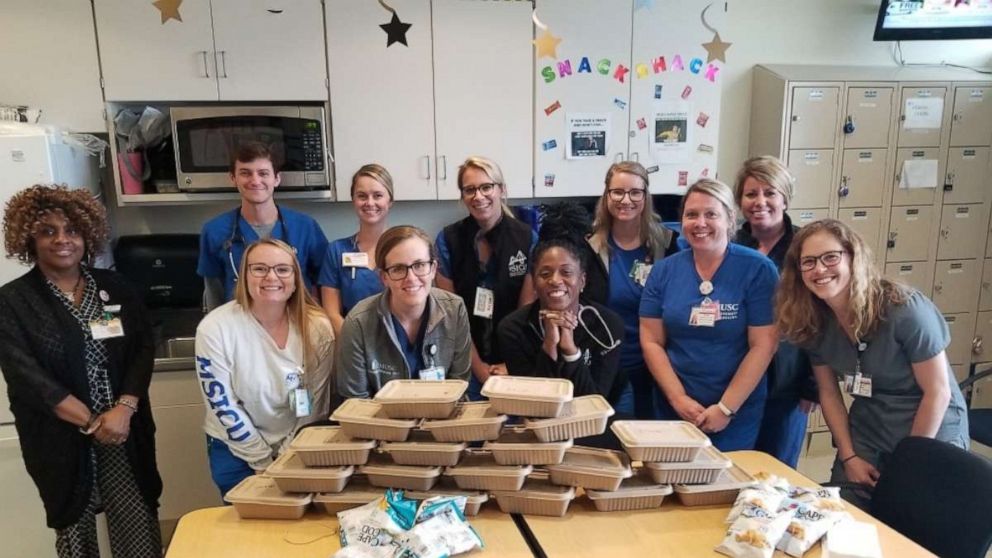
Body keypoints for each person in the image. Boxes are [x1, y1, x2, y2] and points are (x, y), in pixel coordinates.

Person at [0, 185, 162, 557]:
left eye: (72, 230)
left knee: (135, 517)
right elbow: (28, 378)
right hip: (61, 437)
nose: (62, 240)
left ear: (86, 235)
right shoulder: (13, 302)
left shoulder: (114, 287)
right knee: (75, 529)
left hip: (124, 429)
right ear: (29, 237)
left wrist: (124, 410)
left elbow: (142, 348)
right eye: (48, 231)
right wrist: (92, 421)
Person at [776, 219, 969, 508]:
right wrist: (849, 455)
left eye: (831, 257)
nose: (820, 269)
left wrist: (909, 462)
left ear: (854, 258)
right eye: (809, 262)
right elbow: (828, 393)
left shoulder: (904, 309)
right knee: (845, 517)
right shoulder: (814, 319)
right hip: (870, 428)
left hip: (930, 429)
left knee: (913, 525)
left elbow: (938, 392)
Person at [640, 178, 779, 451]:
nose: (700, 223)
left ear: (730, 219)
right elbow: (651, 340)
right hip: (676, 407)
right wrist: (678, 399)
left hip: (735, 410)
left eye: (711, 214)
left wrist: (726, 409)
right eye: (691, 214)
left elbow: (764, 345)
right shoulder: (663, 272)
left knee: (728, 482)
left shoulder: (758, 269)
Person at [195, 238, 334, 496]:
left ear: (295, 279)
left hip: (298, 445)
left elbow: (316, 402)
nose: (271, 277)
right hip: (236, 449)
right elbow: (222, 404)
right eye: (259, 269)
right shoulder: (216, 328)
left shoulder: (317, 328)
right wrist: (261, 461)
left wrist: (287, 455)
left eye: (282, 269)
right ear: (244, 276)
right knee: (244, 528)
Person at [732, 155, 817, 468]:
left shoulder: (806, 247)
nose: (760, 202)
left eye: (770, 193)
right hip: (737, 376)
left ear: (785, 198)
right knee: (736, 466)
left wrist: (813, 385)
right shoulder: (730, 242)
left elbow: (823, 319)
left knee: (776, 471)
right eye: (751, 194)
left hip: (787, 380)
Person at [498, 203, 626, 406]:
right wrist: (549, 345)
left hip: (593, 429)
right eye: (545, 274)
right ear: (534, 282)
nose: (555, 280)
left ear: (582, 281)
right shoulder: (513, 329)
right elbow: (535, 404)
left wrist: (570, 350)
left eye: (566, 272)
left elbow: (593, 403)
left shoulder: (608, 327)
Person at [435, 156, 537, 399]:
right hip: (465, 359)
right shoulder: (448, 240)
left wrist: (512, 364)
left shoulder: (526, 238)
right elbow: (451, 315)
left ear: (502, 190)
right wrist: (478, 368)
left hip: (513, 362)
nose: (478, 196)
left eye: (486, 187)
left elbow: (526, 310)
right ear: (462, 196)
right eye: (469, 190)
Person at [585, 161, 679, 418]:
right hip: (605, 366)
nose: (626, 200)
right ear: (606, 196)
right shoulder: (588, 247)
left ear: (646, 196)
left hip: (657, 368)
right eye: (618, 192)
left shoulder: (668, 245)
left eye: (635, 192)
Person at [338, 226, 472, 399]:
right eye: (398, 269)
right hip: (379, 423)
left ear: (433, 269)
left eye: (419, 265)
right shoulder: (359, 322)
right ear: (384, 278)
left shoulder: (455, 310)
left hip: (441, 420)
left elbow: (459, 389)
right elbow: (355, 402)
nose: (411, 277)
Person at [198, 142, 328, 310]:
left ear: (276, 179)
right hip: (239, 328)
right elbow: (213, 292)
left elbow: (325, 284)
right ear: (233, 178)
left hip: (297, 324)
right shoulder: (214, 231)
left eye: (263, 173)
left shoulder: (305, 227)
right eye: (245, 173)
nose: (255, 180)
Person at [319, 164, 393, 337]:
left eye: (378, 195)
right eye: (362, 196)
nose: (370, 202)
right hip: (351, 346)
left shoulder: (404, 250)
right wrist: (357, 346)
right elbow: (331, 313)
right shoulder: (336, 251)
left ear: (390, 201)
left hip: (398, 347)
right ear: (353, 200)